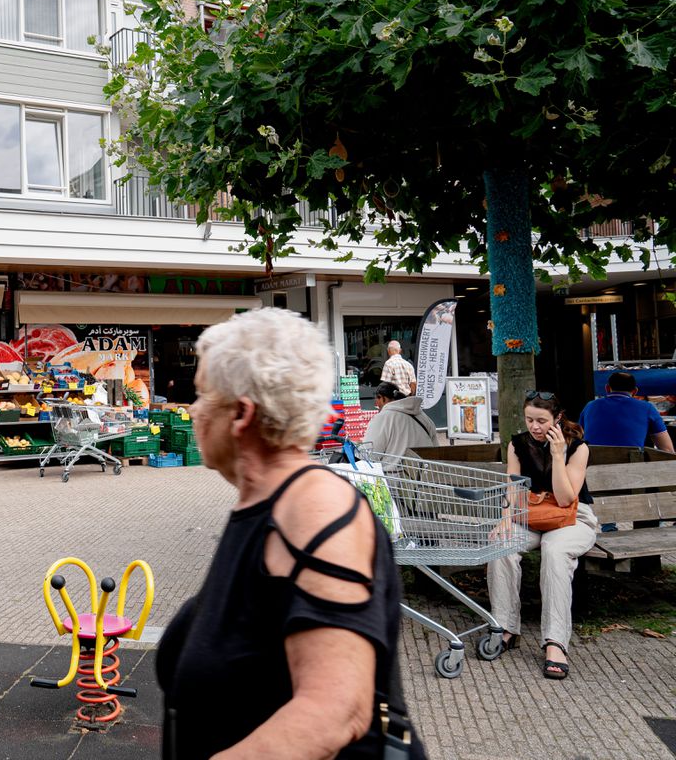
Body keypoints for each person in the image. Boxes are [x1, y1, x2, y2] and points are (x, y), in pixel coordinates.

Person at [157, 309, 425, 760]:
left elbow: (336, 712)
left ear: (241, 413)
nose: (192, 411)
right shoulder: (262, 505)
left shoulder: (317, 510)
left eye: (202, 396)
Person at [487, 391, 596, 680]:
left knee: (555, 550)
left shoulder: (578, 447)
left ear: (558, 418)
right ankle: (505, 627)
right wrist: (506, 520)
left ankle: (555, 643)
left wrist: (558, 456)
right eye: (529, 420)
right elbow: (513, 487)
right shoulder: (518, 444)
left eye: (542, 420)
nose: (534, 427)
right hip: (532, 516)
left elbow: (564, 499)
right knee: (502, 544)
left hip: (572, 518)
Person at [579, 371, 674, 452]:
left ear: (607, 388)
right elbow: (667, 450)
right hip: (631, 468)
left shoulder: (590, 406)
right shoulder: (647, 408)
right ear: (635, 391)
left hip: (593, 466)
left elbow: (577, 438)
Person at [365, 382, 437, 470]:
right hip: (425, 476)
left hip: (393, 479)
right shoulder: (424, 418)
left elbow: (370, 454)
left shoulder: (382, 418)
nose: (376, 404)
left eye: (377, 399)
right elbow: (436, 449)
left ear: (382, 398)